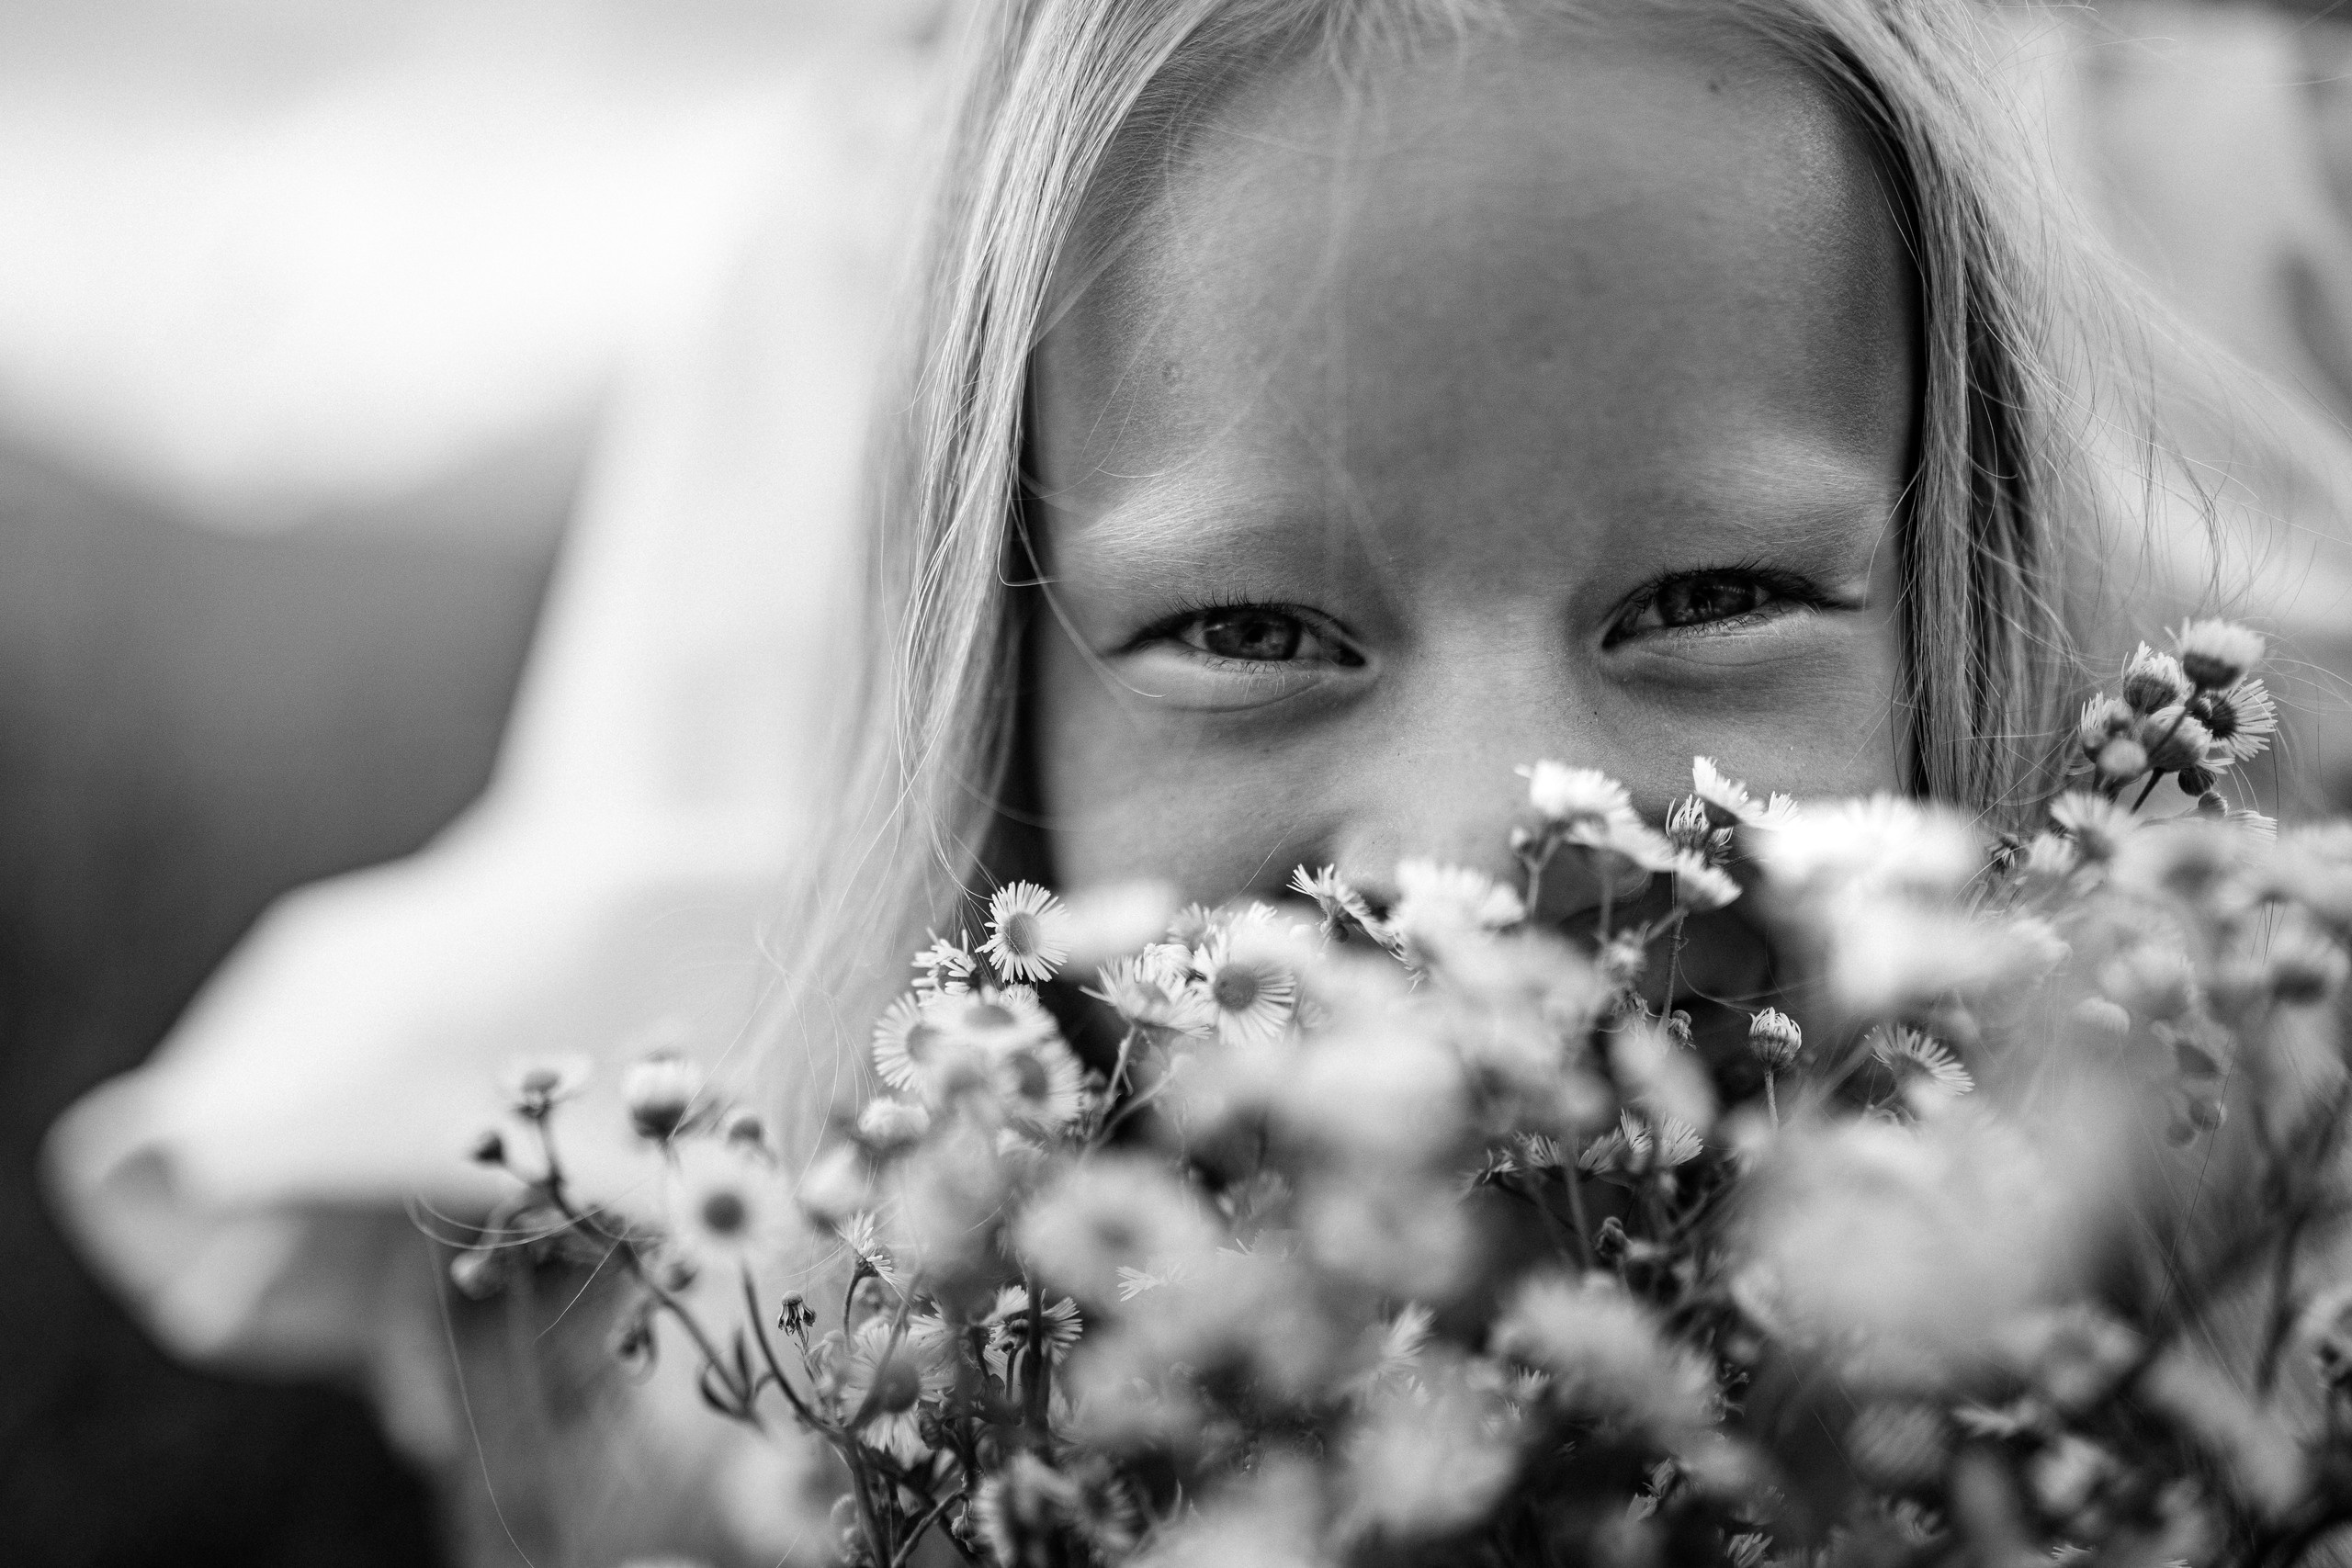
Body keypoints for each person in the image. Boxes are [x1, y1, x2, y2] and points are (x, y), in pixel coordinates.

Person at [49, 1, 2352, 1563]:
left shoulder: (2189, 1336)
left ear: (1958, 610)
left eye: (1710, 598)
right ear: (994, 715)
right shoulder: (850, 1390)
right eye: (1251, 633)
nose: (1484, 836)